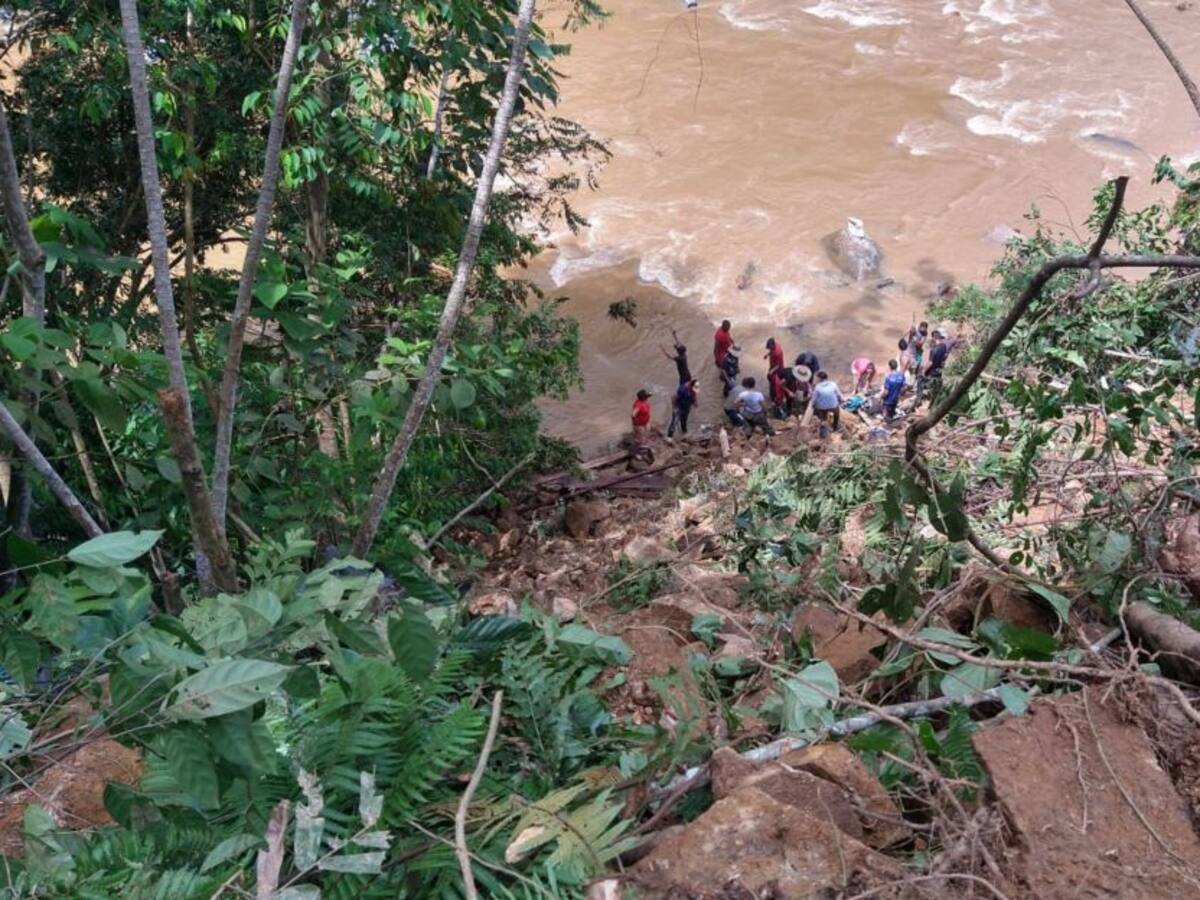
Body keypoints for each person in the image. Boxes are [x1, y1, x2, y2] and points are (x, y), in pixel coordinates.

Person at [811, 370, 842, 435]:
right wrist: (840, 400)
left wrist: (813, 405)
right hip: (833, 406)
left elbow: (814, 399)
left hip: (821, 407)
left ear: (819, 378)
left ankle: (823, 431)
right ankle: (835, 427)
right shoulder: (833, 384)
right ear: (827, 377)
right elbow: (839, 395)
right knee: (837, 413)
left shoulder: (817, 387)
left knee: (822, 416)